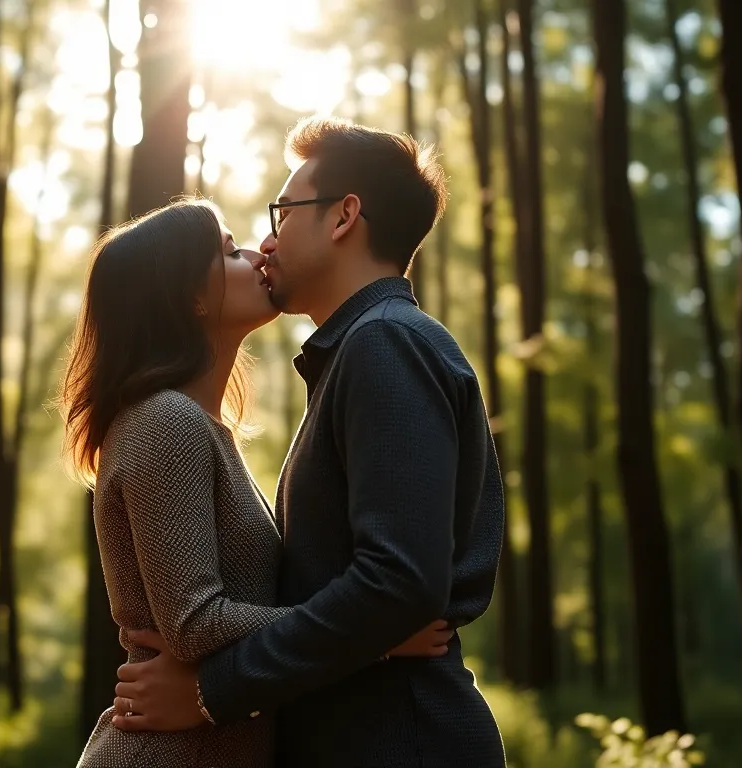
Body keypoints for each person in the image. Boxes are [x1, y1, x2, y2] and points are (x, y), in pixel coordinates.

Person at [110, 117, 508, 766]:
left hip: (397, 740)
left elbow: (397, 584)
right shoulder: (362, 353)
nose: (268, 240)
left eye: (284, 211)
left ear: (343, 217)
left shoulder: (385, 344)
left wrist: (214, 691)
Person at [58, 198, 454, 768]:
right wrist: (374, 637)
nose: (256, 253)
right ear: (191, 297)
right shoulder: (165, 422)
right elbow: (196, 622)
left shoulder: (201, 427)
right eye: (227, 250)